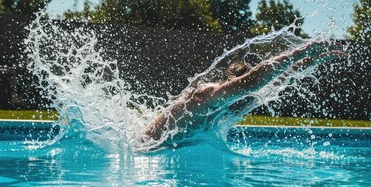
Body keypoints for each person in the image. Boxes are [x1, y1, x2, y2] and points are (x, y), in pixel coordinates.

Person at [143, 41, 347, 145]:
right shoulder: (208, 94)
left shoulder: (233, 104)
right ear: (231, 83)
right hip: (145, 149)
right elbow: (254, 81)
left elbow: (277, 80)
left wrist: (311, 62)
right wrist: (301, 52)